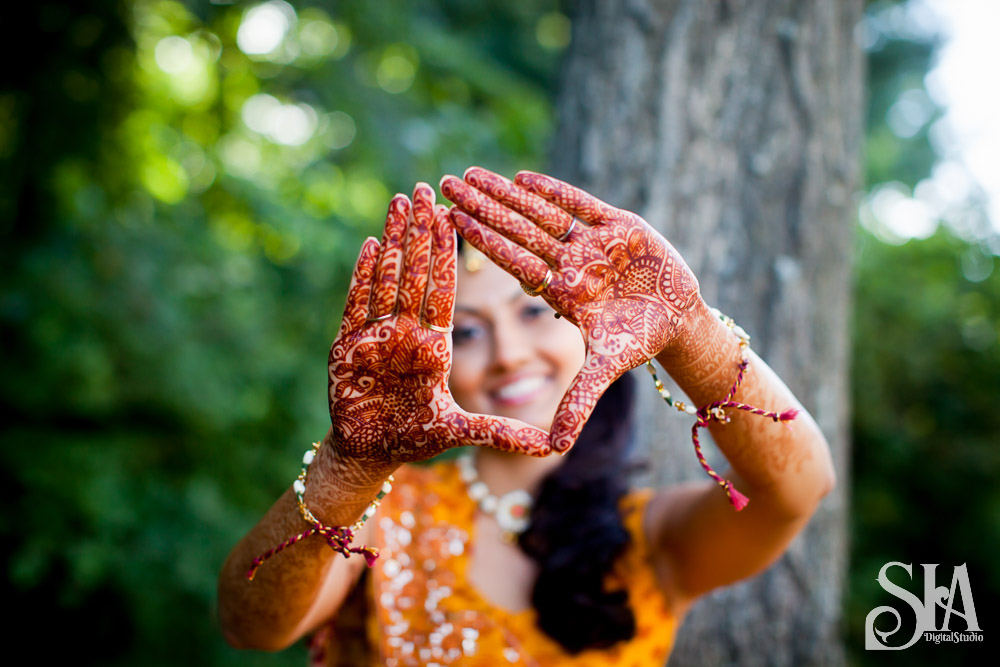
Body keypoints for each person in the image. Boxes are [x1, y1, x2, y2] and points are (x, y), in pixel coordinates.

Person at [218, 168, 835, 665]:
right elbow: (249, 628)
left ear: (593, 326)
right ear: (435, 358)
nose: (509, 355)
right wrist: (348, 467)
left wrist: (690, 331)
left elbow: (799, 488)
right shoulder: (385, 512)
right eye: (466, 332)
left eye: (535, 313)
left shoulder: (651, 539)